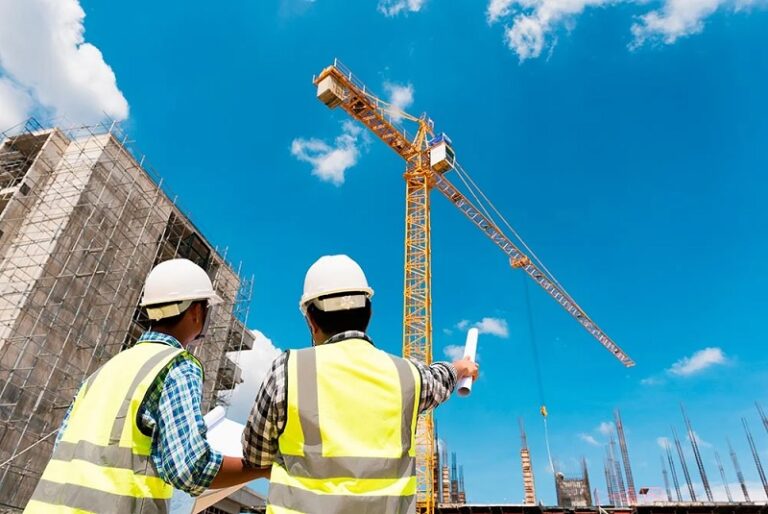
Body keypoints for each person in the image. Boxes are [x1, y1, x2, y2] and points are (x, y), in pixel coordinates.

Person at [25, 258, 268, 514]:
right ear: (196, 311)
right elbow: (190, 468)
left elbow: (61, 450)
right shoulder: (177, 366)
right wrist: (261, 469)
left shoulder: (104, 371)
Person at [242, 254, 478, 513]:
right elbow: (440, 378)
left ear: (311, 320)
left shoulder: (288, 370)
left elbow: (255, 456)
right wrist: (460, 367)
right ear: (369, 313)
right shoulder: (408, 375)